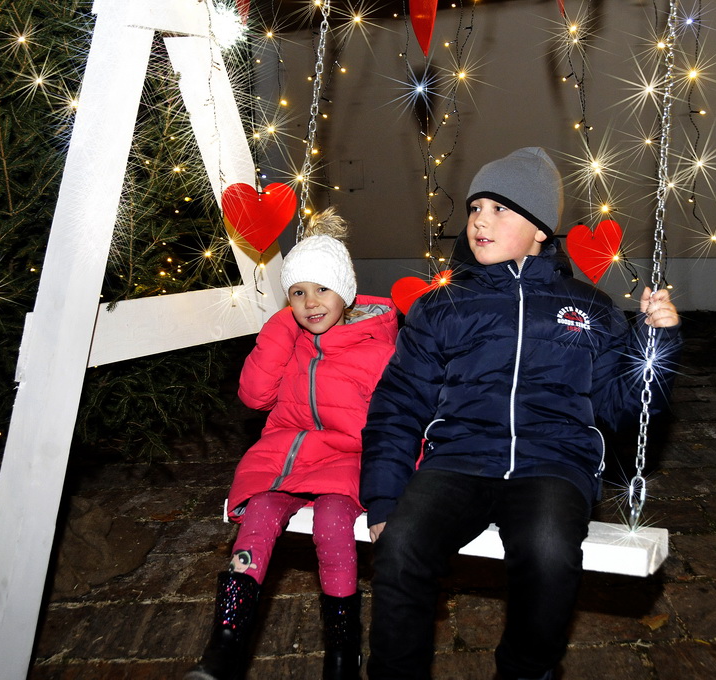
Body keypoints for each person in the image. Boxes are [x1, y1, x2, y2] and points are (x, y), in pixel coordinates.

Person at [359, 147, 681, 680]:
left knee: (549, 551)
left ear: (540, 230)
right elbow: (398, 403)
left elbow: (623, 408)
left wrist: (655, 344)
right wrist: (384, 497)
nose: (479, 220)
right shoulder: (443, 306)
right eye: (475, 208)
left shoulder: (590, 308)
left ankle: (525, 672)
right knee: (401, 548)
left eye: (499, 208)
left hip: (552, 463)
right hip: (459, 460)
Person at [186, 207, 398, 680]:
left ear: (345, 291)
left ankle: (342, 651)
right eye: (298, 293)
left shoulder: (377, 351)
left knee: (331, 522)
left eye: (322, 289)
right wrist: (280, 328)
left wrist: (398, 488)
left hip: (347, 459)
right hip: (285, 456)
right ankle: (225, 645)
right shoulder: (290, 338)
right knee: (260, 512)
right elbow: (254, 396)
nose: (310, 302)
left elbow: (399, 422)